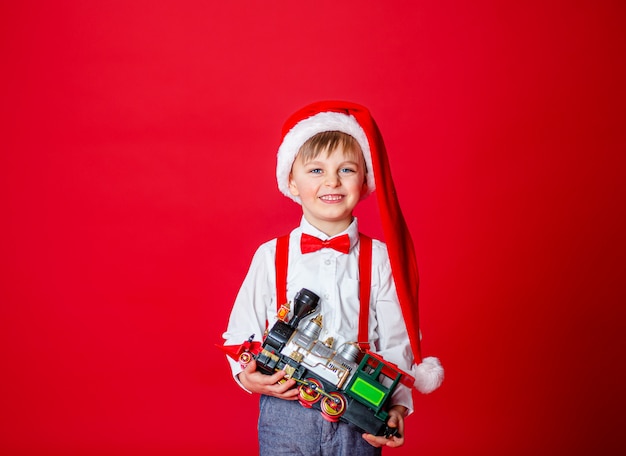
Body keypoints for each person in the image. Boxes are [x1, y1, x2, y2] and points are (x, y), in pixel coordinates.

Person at [221, 101, 443, 455]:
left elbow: (397, 342)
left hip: (357, 415)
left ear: (366, 179)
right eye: (316, 171)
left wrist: (397, 407)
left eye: (346, 169)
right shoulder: (270, 256)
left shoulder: (382, 259)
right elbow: (238, 333)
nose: (332, 182)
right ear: (290, 181)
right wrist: (247, 375)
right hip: (285, 410)